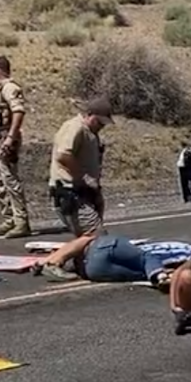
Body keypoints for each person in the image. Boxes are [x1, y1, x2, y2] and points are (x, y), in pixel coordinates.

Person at [43, 97, 113, 279]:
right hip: (70, 192)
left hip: (85, 192)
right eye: (99, 121)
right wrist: (85, 178)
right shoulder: (75, 127)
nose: (101, 126)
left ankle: (80, 263)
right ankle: (53, 262)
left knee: (86, 234)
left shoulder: (90, 133)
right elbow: (64, 156)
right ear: (89, 115)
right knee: (95, 234)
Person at [0, 55, 31, 238]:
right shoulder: (0, 90)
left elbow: (18, 112)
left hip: (6, 139)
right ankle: (9, 219)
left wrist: (10, 138)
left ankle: (21, 222)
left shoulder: (10, 88)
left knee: (10, 181)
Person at [34, 232, 191, 286]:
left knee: (93, 236)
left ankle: (51, 262)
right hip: (97, 270)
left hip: (102, 257)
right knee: (144, 264)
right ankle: (159, 276)